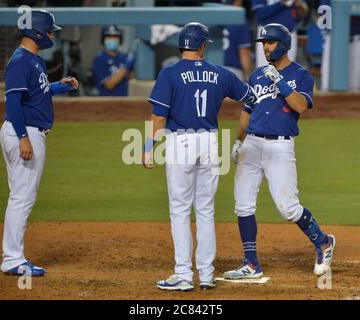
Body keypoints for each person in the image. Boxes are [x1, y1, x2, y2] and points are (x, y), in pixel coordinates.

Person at [142, 22, 257, 291]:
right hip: (209, 142)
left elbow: (158, 116)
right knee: (205, 210)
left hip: (181, 142)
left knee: (180, 210)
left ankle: (183, 274)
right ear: (203, 45)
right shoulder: (220, 73)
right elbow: (249, 97)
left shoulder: (169, 73)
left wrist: (148, 148)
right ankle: (205, 275)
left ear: (182, 45)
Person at [223, 23, 335, 280]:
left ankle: (324, 242)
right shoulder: (257, 74)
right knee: (242, 205)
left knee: (288, 208)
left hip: (280, 147)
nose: (265, 47)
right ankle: (251, 264)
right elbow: (246, 111)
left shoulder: (302, 75)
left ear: (283, 44)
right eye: (263, 43)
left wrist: (280, 81)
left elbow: (300, 106)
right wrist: (239, 141)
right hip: (251, 144)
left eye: (270, 42)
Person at [0, 9, 79, 276]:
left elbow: (37, 91)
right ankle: (12, 259)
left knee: (20, 196)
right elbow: (13, 101)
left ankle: (13, 256)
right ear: (35, 32)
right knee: (22, 197)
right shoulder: (21, 60)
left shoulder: (33, 60)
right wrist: (23, 137)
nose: (49, 35)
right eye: (47, 31)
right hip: (25, 132)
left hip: (27, 131)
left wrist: (61, 85)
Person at [252, 0, 309, 67]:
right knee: (264, 72)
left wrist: (300, 5)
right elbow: (260, 13)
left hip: (289, 35)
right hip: (267, 35)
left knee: (288, 73)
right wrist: (282, 3)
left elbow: (304, 12)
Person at [319, 0, 360, 91]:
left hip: (356, 39)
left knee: (355, 85)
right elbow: (323, 10)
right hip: (334, 37)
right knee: (329, 82)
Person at [92, 25, 136, 96]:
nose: (112, 39)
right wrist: (126, 67)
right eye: (109, 36)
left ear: (120, 39)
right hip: (107, 103)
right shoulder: (100, 59)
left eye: (115, 36)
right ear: (103, 39)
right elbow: (109, 85)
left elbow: (132, 80)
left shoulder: (124, 57)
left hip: (126, 101)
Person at [223, 0, 252, 81]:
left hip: (211, 72)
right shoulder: (239, 19)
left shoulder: (211, 18)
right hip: (232, 72)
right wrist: (249, 78)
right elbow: (244, 52)